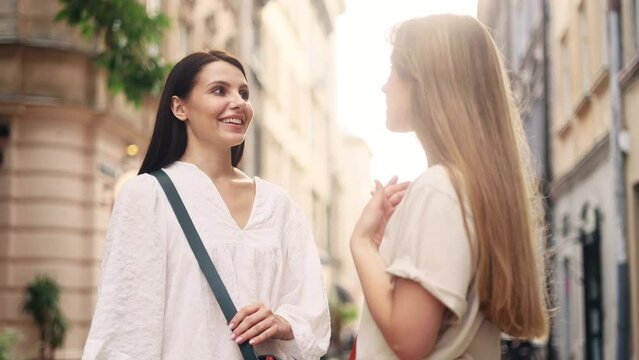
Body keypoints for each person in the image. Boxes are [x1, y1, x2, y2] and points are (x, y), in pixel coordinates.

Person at [82, 50, 330, 359]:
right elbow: (125, 329)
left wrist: (284, 322)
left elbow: (312, 311)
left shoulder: (279, 206)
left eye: (244, 93)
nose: (238, 102)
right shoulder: (148, 196)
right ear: (179, 107)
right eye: (219, 90)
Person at [349, 14, 549, 359]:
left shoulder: (439, 189)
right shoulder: (469, 188)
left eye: (395, 70)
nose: (385, 85)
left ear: (427, 82)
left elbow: (409, 341)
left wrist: (363, 244)